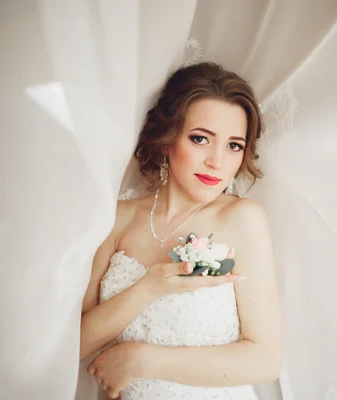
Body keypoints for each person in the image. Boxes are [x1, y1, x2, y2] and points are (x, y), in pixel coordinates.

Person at [79, 62, 282, 399]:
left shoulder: (243, 219)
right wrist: (147, 289)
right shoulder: (117, 219)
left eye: (234, 145)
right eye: (201, 139)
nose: (217, 162)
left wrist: (141, 359)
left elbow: (265, 359)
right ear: (167, 138)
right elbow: (78, 344)